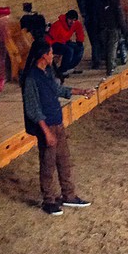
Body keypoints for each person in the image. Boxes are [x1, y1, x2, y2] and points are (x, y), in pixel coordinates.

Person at [21, 40, 94, 216]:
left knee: (64, 160)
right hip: (47, 126)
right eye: (50, 53)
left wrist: (81, 91)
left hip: (57, 123)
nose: (52, 55)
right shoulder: (31, 78)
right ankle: (49, 200)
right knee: (48, 164)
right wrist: (46, 132)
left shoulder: (47, 72)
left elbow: (58, 89)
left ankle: (69, 195)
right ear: (43, 55)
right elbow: (33, 109)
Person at [98, 0, 128, 77]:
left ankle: (106, 65)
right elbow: (119, 15)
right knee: (112, 48)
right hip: (113, 26)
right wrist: (124, 28)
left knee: (105, 47)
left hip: (101, 26)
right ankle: (110, 68)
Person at [45, 10, 85, 78]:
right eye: (70, 19)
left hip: (65, 42)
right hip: (55, 44)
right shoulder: (57, 25)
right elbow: (49, 38)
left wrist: (80, 41)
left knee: (80, 48)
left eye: (74, 20)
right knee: (69, 50)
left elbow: (79, 30)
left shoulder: (75, 24)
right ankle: (62, 71)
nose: (72, 22)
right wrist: (48, 49)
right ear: (66, 18)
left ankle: (69, 67)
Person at [83, 0, 106, 69]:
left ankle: (96, 61)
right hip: (101, 19)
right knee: (103, 40)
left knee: (94, 41)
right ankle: (105, 58)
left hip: (91, 19)